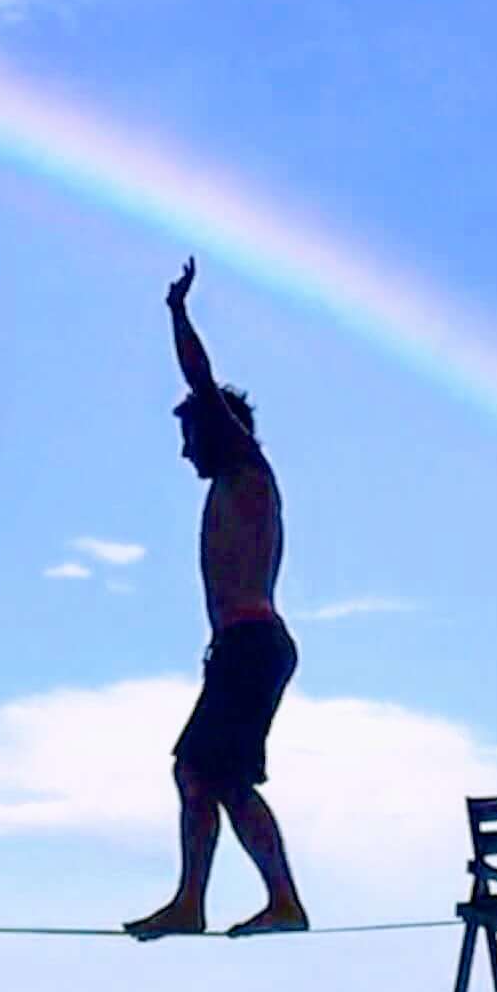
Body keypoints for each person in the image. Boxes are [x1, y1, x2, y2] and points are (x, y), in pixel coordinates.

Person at [127, 259, 310, 940]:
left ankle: (261, 902)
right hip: (241, 648)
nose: (185, 454)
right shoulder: (233, 482)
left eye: (188, 438)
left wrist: (177, 313)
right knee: (204, 775)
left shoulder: (245, 465)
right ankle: (200, 901)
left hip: (252, 645)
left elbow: (201, 384)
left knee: (213, 775)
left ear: (214, 430)